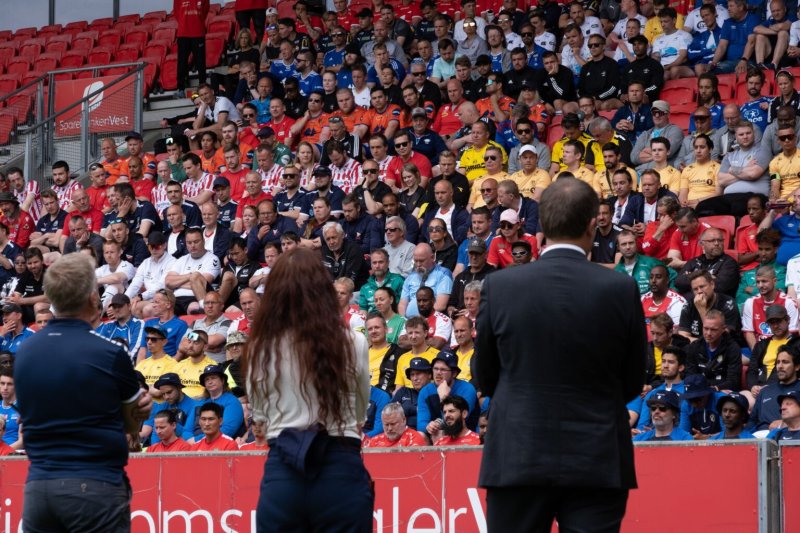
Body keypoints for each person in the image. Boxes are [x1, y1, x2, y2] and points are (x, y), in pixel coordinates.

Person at [476, 177, 646, 531]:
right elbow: (633, 377)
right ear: (590, 226)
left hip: (517, 454)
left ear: (544, 225)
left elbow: (485, 374)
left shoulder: (501, 286)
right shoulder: (620, 287)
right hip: (596, 456)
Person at [14, 253, 152, 531]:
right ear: (93, 298)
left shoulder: (25, 352)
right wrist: (141, 411)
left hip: (39, 488)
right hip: (94, 487)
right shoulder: (110, 353)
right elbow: (130, 426)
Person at [245, 248, 373, 531]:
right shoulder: (354, 342)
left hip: (284, 470)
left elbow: (260, 415)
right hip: (341, 468)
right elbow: (362, 411)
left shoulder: (261, 347)